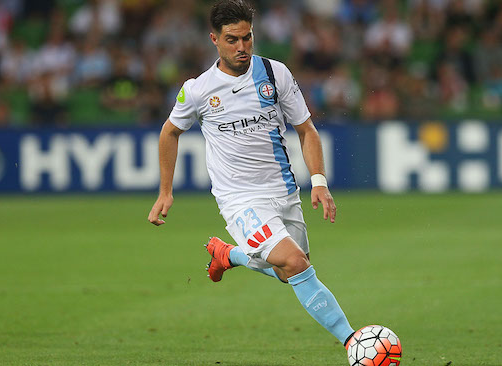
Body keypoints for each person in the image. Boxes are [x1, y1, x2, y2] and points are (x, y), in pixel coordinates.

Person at [147, 0, 356, 350]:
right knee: (294, 262)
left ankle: (231, 255)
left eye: (247, 38)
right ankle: (354, 343)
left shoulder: (275, 74)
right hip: (240, 199)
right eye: (232, 40)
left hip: (284, 193)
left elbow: (306, 130)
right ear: (214, 39)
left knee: (289, 272)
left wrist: (318, 181)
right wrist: (165, 191)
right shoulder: (198, 90)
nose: (241, 47)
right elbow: (169, 132)